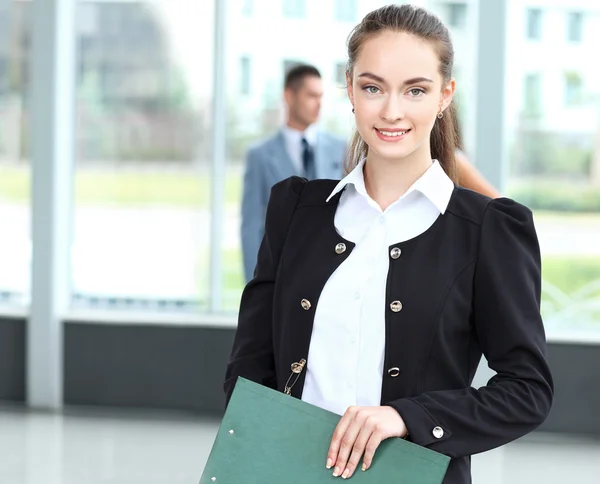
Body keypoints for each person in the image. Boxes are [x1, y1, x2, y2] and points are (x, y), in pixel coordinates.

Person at [225, 5, 553, 484]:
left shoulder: (488, 230)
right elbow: (250, 368)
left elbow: (528, 391)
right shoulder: (295, 211)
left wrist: (408, 417)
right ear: (351, 89)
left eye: (415, 90)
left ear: (445, 96)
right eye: (373, 87)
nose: (391, 111)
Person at [241, 64, 346, 282]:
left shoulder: (341, 149)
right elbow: (251, 225)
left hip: (332, 273)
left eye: (321, 96)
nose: (319, 104)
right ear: (289, 96)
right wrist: (255, 285)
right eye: (311, 96)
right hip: (281, 275)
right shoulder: (260, 156)